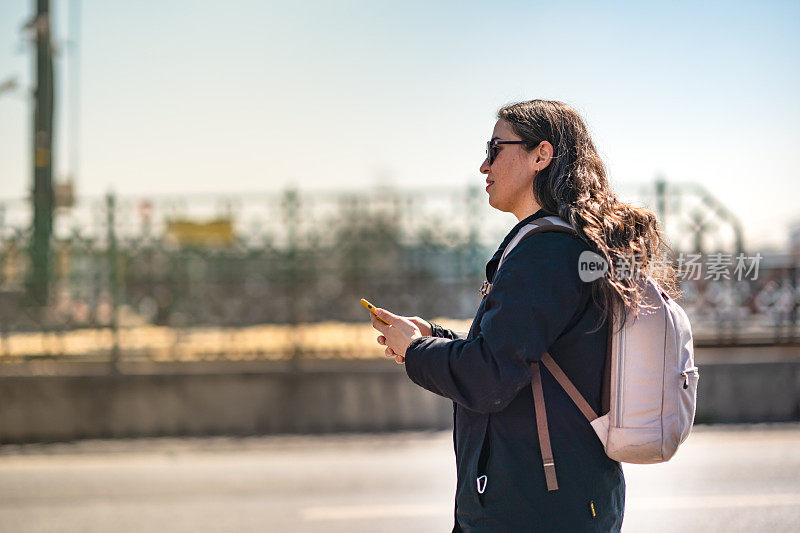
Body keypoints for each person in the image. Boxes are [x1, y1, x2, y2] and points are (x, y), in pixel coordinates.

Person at [370, 99, 677, 532]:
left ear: (540, 155)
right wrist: (436, 336)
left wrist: (417, 351)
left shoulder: (545, 253)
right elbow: (528, 355)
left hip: (531, 505)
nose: (483, 165)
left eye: (495, 148)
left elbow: (490, 377)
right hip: (564, 495)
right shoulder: (567, 244)